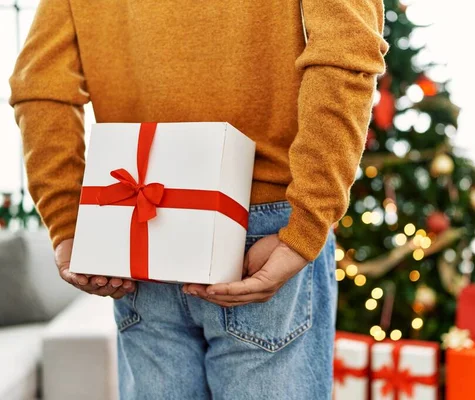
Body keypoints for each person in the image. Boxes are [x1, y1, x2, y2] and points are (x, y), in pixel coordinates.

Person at [10, 0, 388, 398]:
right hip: (265, 232)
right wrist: (306, 225)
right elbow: (346, 54)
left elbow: (39, 84)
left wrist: (69, 225)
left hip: (136, 226)